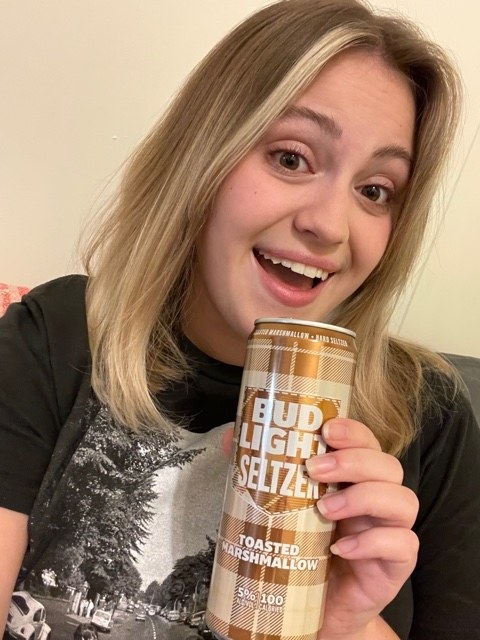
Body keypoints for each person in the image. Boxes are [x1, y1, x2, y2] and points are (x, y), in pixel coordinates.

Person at [0, 1, 479, 639]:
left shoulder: (433, 415)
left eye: (375, 190)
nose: (330, 226)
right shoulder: (56, 336)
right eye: (291, 157)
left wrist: (339, 625)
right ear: (204, 155)